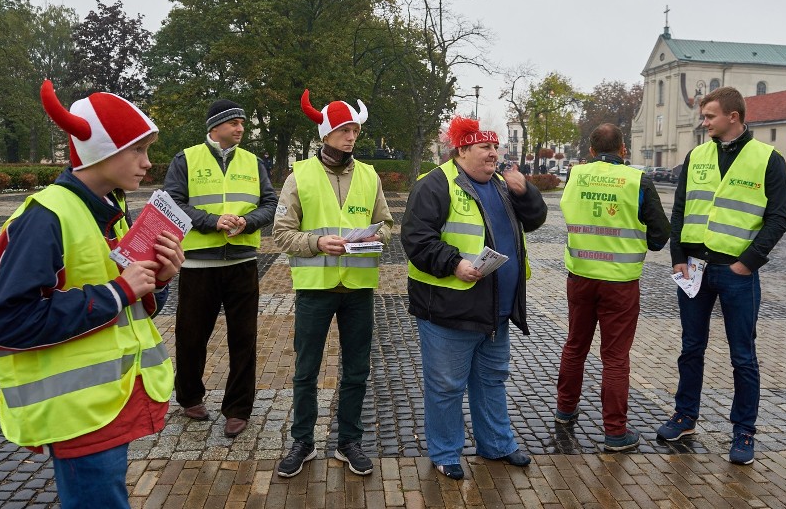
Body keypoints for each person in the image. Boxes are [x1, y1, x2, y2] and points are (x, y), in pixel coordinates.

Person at [0, 80, 184, 508]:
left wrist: (158, 280)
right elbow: (7, 322)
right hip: (76, 412)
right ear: (101, 151)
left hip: (109, 401)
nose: (148, 163)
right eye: (138, 150)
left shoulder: (109, 211)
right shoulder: (45, 216)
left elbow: (135, 306)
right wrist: (117, 290)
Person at [401, 116, 548, 480]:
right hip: (449, 310)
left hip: (496, 311)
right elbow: (416, 238)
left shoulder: (501, 184)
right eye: (485, 147)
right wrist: (454, 263)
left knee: (492, 380)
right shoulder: (435, 184)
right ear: (463, 150)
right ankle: (446, 452)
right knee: (446, 386)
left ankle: (496, 444)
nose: (494, 154)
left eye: (496, 147)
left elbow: (534, 220)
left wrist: (526, 190)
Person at [657, 86, 786, 465]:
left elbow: (778, 217)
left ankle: (744, 431)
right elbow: (680, 208)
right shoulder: (697, 154)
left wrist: (748, 261)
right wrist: (677, 256)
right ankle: (685, 416)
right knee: (690, 348)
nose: (704, 122)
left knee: (743, 356)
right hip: (694, 268)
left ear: (734, 116)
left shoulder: (767, 159)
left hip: (737, 272)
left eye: (710, 116)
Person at [273, 89, 393, 478]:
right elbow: (281, 232)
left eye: (355, 130)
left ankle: (348, 441)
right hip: (315, 289)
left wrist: (375, 239)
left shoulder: (369, 174)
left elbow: (388, 224)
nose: (351, 136)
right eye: (344, 129)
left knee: (357, 369)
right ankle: (302, 442)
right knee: (306, 370)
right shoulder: (300, 175)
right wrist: (316, 242)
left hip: (358, 289)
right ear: (325, 134)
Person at [164, 99, 277, 438]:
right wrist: (213, 222)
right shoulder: (186, 159)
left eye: (242, 122)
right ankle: (189, 396)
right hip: (199, 264)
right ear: (214, 127)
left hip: (242, 262)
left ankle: (238, 409)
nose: (241, 128)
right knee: (190, 336)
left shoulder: (253, 162)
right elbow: (173, 203)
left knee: (244, 339)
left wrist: (247, 221)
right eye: (233, 123)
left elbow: (270, 203)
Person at [554, 123, 670, 451]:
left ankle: (565, 409)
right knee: (615, 356)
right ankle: (615, 431)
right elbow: (661, 235)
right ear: (623, 149)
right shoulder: (638, 180)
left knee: (575, 345)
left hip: (580, 276)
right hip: (620, 282)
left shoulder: (574, 176)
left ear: (591, 151)